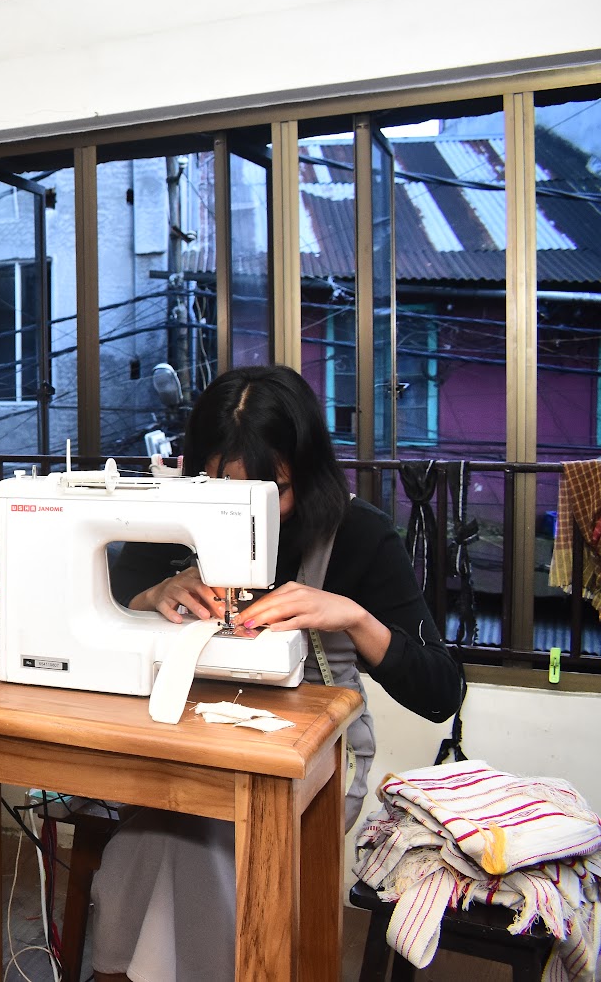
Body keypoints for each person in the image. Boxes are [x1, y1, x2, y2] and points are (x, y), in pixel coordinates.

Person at [90, 365, 464, 982]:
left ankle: (119, 972)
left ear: (306, 471)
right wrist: (155, 591)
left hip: (312, 764)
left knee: (190, 844)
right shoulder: (173, 520)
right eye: (221, 489)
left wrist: (355, 618)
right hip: (185, 744)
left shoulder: (360, 535)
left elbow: (439, 691)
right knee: (167, 837)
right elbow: (115, 593)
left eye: (272, 492)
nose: (247, 515)